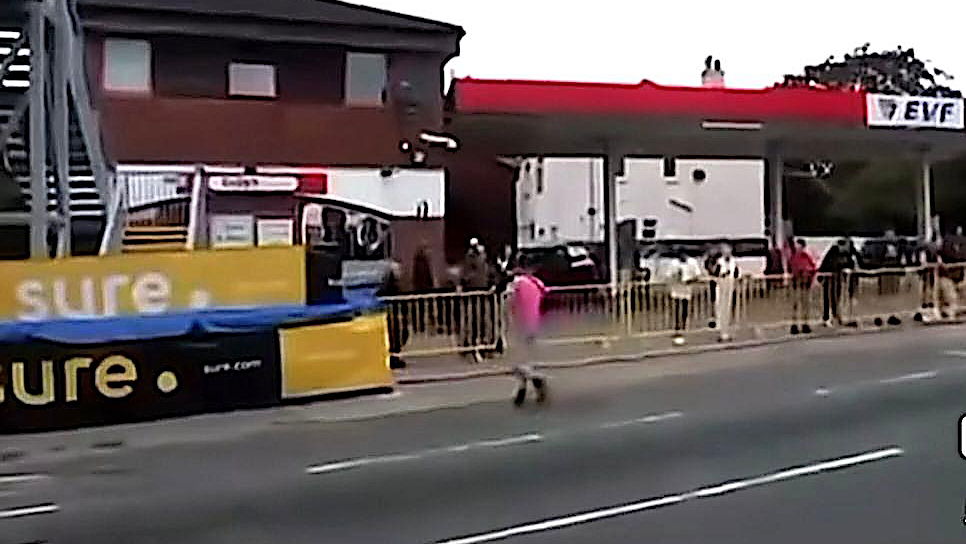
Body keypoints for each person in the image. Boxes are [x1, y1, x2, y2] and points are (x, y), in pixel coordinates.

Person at [509, 255, 549, 406]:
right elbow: (544, 293)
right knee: (527, 358)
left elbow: (509, 299)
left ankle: (533, 382)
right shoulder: (536, 282)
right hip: (534, 323)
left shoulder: (517, 284)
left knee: (519, 361)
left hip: (520, 323)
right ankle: (523, 388)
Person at [666, 248, 704, 346]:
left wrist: (690, 281)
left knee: (684, 310)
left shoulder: (692, 262)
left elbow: (697, 276)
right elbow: (668, 275)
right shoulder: (674, 263)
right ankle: (677, 329)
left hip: (686, 291)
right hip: (676, 290)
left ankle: (683, 328)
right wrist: (675, 277)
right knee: (676, 310)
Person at [711, 243, 741, 342]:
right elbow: (715, 274)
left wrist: (736, 278)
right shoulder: (719, 262)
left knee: (727, 309)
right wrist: (722, 275)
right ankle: (721, 331)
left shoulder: (733, 262)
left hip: (730, 286)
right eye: (726, 252)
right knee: (720, 308)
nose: (728, 254)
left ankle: (726, 331)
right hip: (721, 286)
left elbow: (736, 273)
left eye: (729, 252)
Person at [788, 239, 818, 334]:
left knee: (804, 304)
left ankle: (803, 324)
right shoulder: (795, 256)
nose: (796, 247)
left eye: (798, 245)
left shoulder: (804, 256)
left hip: (803, 284)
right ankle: (796, 324)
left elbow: (813, 268)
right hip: (798, 283)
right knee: (797, 305)